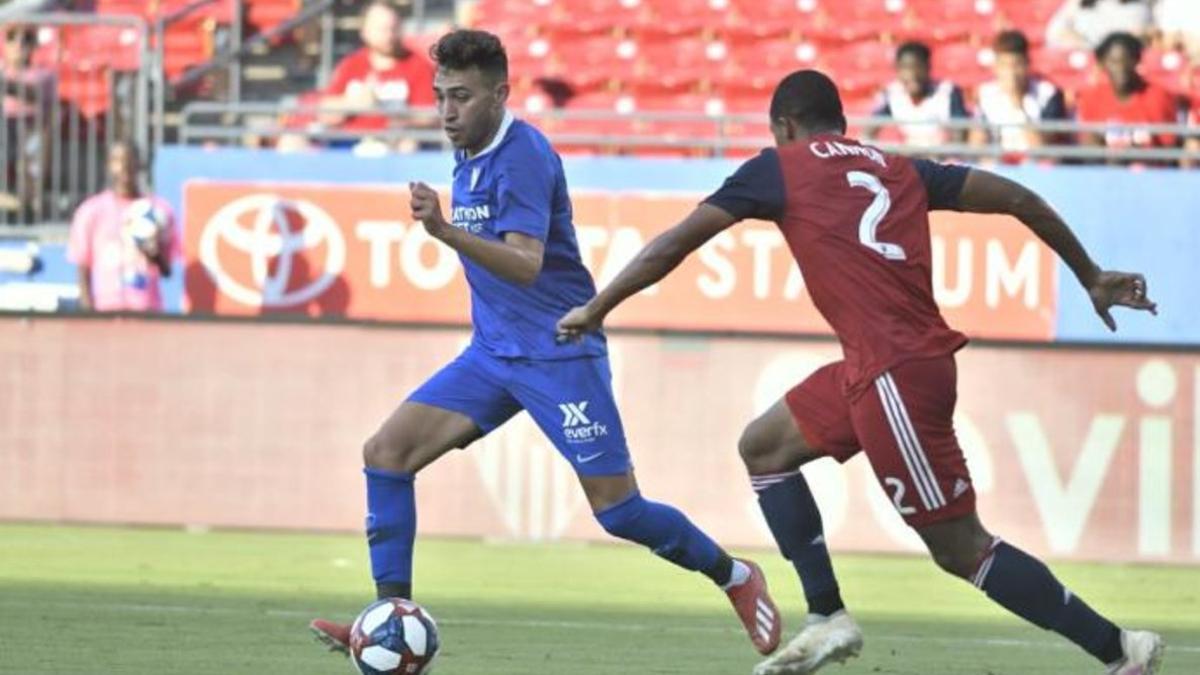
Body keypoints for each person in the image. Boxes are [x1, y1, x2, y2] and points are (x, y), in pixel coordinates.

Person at [557, 69, 1164, 675]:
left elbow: (673, 245)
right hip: (877, 364)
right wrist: (1089, 273)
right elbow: (1019, 197)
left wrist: (597, 306)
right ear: (842, 124)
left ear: (783, 127)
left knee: (962, 549)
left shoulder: (778, 166)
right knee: (765, 447)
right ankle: (827, 618)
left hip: (894, 372)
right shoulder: (900, 167)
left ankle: (1118, 651)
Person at [308, 29, 782, 660]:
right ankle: (387, 619)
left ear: (501, 94)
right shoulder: (469, 152)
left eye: (463, 97)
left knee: (618, 511)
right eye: (440, 96)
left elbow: (527, 264)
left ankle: (737, 577)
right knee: (387, 453)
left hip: (561, 354)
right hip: (494, 355)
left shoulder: (523, 154)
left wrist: (444, 231)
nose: (448, 112)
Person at [279, 0, 434, 152]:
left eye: (393, 28)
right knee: (291, 141)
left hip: (392, 143)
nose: (389, 34)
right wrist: (354, 102)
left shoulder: (417, 66)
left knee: (409, 145)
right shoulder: (352, 64)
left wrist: (388, 113)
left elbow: (429, 116)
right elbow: (325, 111)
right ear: (364, 31)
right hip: (346, 142)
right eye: (382, 29)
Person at [66, 142, 178, 312]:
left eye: (130, 160)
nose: (125, 165)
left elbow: (167, 270)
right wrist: (89, 312)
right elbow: (82, 266)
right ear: (109, 165)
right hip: (106, 307)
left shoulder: (159, 210)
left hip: (146, 309)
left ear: (140, 164)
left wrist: (154, 254)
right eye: (118, 160)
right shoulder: (92, 210)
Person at [1077, 32, 1184, 161]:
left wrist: (1133, 154)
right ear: (1103, 63)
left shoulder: (1158, 96)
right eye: (1113, 61)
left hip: (1149, 171)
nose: (1121, 67)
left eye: (1128, 60)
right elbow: (1088, 142)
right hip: (1105, 171)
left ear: (1137, 60)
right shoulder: (1092, 97)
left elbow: (1168, 147)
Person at [971, 30, 1069, 158]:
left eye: (1017, 65)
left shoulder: (1049, 94)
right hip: (997, 167)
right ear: (995, 67)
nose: (1011, 73)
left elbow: (1042, 149)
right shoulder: (985, 94)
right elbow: (976, 147)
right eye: (1004, 65)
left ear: (1027, 63)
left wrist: (1017, 102)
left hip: (1037, 170)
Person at [865, 41, 970, 148]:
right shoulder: (891, 94)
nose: (912, 74)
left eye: (918, 67)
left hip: (941, 158)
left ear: (928, 67)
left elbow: (960, 138)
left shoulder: (947, 92)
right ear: (897, 70)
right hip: (910, 156)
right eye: (905, 68)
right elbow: (870, 130)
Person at [1047, 0, 1153, 50]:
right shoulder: (1078, 4)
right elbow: (1054, 33)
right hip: (1088, 68)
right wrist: (1086, 46)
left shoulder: (1143, 5)